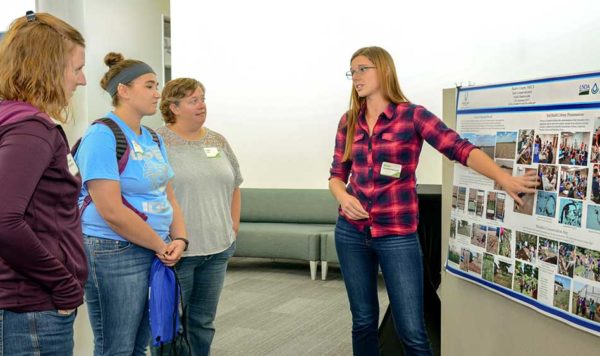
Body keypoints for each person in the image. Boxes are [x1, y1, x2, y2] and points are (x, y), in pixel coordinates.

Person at [328, 46, 537, 355]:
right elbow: (336, 174)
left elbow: (459, 148)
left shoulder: (412, 115)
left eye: (362, 69)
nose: (355, 77)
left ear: (383, 71)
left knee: (412, 330)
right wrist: (343, 196)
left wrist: (503, 178)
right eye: (352, 71)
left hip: (396, 235)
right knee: (362, 321)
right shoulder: (349, 121)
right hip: (351, 233)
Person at [74, 52, 187, 355]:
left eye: (156, 85)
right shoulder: (102, 135)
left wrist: (179, 238)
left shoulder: (153, 137)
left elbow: (168, 194)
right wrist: (159, 245)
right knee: (117, 346)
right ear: (123, 90)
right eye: (149, 86)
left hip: (154, 247)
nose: (157, 93)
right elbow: (110, 210)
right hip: (114, 250)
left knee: (140, 344)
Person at [0, 11, 87, 356]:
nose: (82, 80)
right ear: (47, 69)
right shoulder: (31, 132)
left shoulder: (15, 120)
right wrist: (63, 284)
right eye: (77, 69)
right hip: (33, 307)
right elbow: (5, 222)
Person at [157, 78, 242, 355]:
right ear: (174, 107)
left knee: (203, 323)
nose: (202, 105)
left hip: (217, 249)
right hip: (177, 252)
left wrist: (233, 226)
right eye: (193, 100)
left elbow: (234, 184)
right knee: (169, 326)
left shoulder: (217, 140)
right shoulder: (157, 141)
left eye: (203, 98)